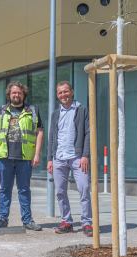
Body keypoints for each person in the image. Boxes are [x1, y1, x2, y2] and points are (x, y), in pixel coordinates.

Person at [0, 81, 44, 231]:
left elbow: (39, 132)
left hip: (25, 157)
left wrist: (37, 154)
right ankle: (2, 219)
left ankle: (27, 220)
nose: (16, 95)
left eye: (19, 92)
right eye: (14, 92)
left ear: (23, 94)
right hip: (4, 157)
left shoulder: (32, 110)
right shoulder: (0, 110)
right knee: (5, 189)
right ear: (9, 94)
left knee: (24, 190)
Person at [47, 81, 93, 237]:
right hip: (59, 157)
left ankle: (87, 222)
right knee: (60, 191)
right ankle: (67, 222)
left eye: (66, 91)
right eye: (60, 93)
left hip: (77, 157)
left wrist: (85, 155)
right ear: (57, 95)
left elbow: (88, 133)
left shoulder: (81, 110)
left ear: (72, 92)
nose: (63, 95)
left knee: (84, 188)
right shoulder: (55, 114)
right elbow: (52, 137)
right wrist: (49, 159)